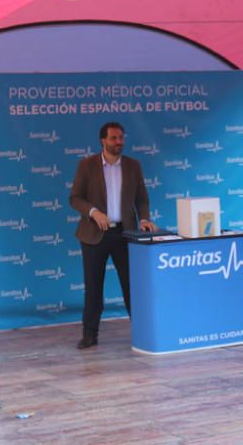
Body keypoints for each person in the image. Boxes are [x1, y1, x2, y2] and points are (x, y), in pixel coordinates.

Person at [69, 121, 156, 350]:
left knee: (132, 285)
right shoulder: (86, 165)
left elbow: (141, 198)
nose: (119, 142)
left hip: (125, 234)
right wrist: (93, 211)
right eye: (114, 138)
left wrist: (145, 218)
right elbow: (75, 198)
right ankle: (90, 334)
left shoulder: (133, 166)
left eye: (121, 138)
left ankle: (142, 330)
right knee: (94, 287)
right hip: (94, 235)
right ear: (103, 141)